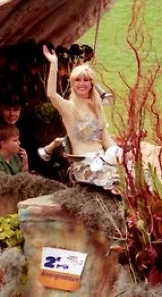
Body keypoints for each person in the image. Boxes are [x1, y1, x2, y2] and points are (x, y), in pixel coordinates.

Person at [42, 46, 120, 191]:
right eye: (77, 80)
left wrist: (118, 153)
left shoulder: (97, 107)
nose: (82, 84)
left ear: (92, 84)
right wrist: (54, 64)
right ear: (72, 83)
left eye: (86, 80)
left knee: (134, 177)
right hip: (84, 166)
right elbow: (52, 94)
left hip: (103, 160)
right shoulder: (69, 108)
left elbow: (105, 138)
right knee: (116, 184)